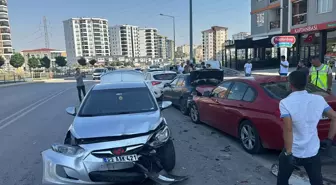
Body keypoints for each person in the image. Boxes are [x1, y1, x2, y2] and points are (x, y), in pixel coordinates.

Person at [277, 70, 336, 185]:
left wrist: (288, 153)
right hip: (312, 150)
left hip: (293, 151)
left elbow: (288, 129)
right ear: (306, 83)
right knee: (316, 181)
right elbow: (334, 117)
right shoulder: (319, 99)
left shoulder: (285, 103)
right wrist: (329, 139)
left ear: (291, 85)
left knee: (282, 180)